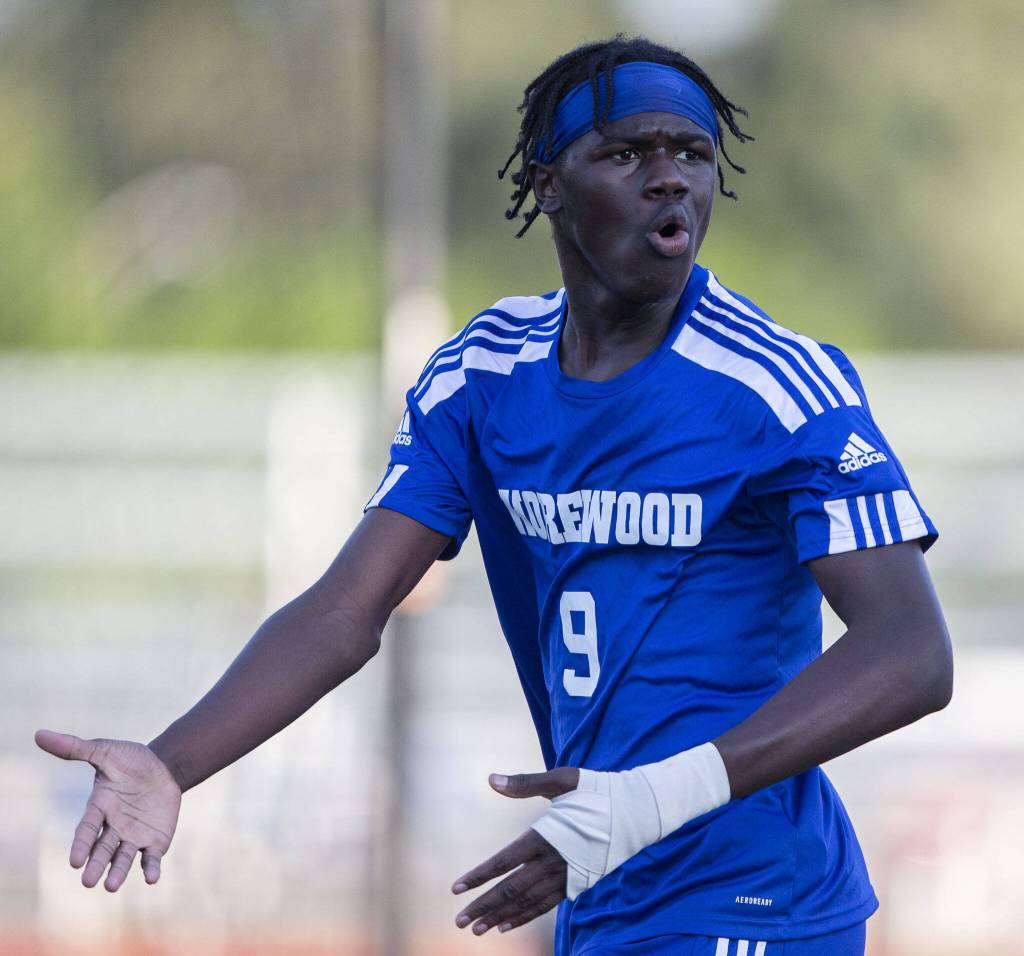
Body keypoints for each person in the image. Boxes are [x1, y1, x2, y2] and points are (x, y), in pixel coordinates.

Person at [35, 35, 952, 956]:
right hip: (601, 889)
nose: (670, 178)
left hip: (755, 904)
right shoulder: (482, 374)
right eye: (628, 153)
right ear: (548, 183)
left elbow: (912, 653)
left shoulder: (775, 385)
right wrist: (170, 764)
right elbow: (347, 610)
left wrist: (649, 800)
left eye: (693, 153)